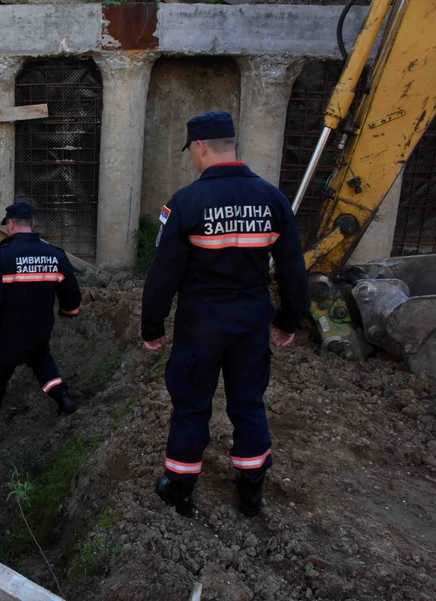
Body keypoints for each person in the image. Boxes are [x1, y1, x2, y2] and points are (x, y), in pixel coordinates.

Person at [141, 111, 309, 517]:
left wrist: (152, 327)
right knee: (248, 402)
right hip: (251, 320)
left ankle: (179, 487)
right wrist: (288, 321)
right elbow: (292, 269)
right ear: (231, 145)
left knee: (192, 405)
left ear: (200, 148)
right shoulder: (273, 199)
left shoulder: (185, 202)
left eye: (193, 154)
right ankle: (251, 486)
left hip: (200, 323)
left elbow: (163, 274)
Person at [0, 201, 82, 451]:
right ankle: (63, 398)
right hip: (39, 331)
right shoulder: (55, 255)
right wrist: (68, 311)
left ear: (10, 224)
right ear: (32, 224)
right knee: (42, 361)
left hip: (6, 337)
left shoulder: (2, 257)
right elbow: (71, 291)